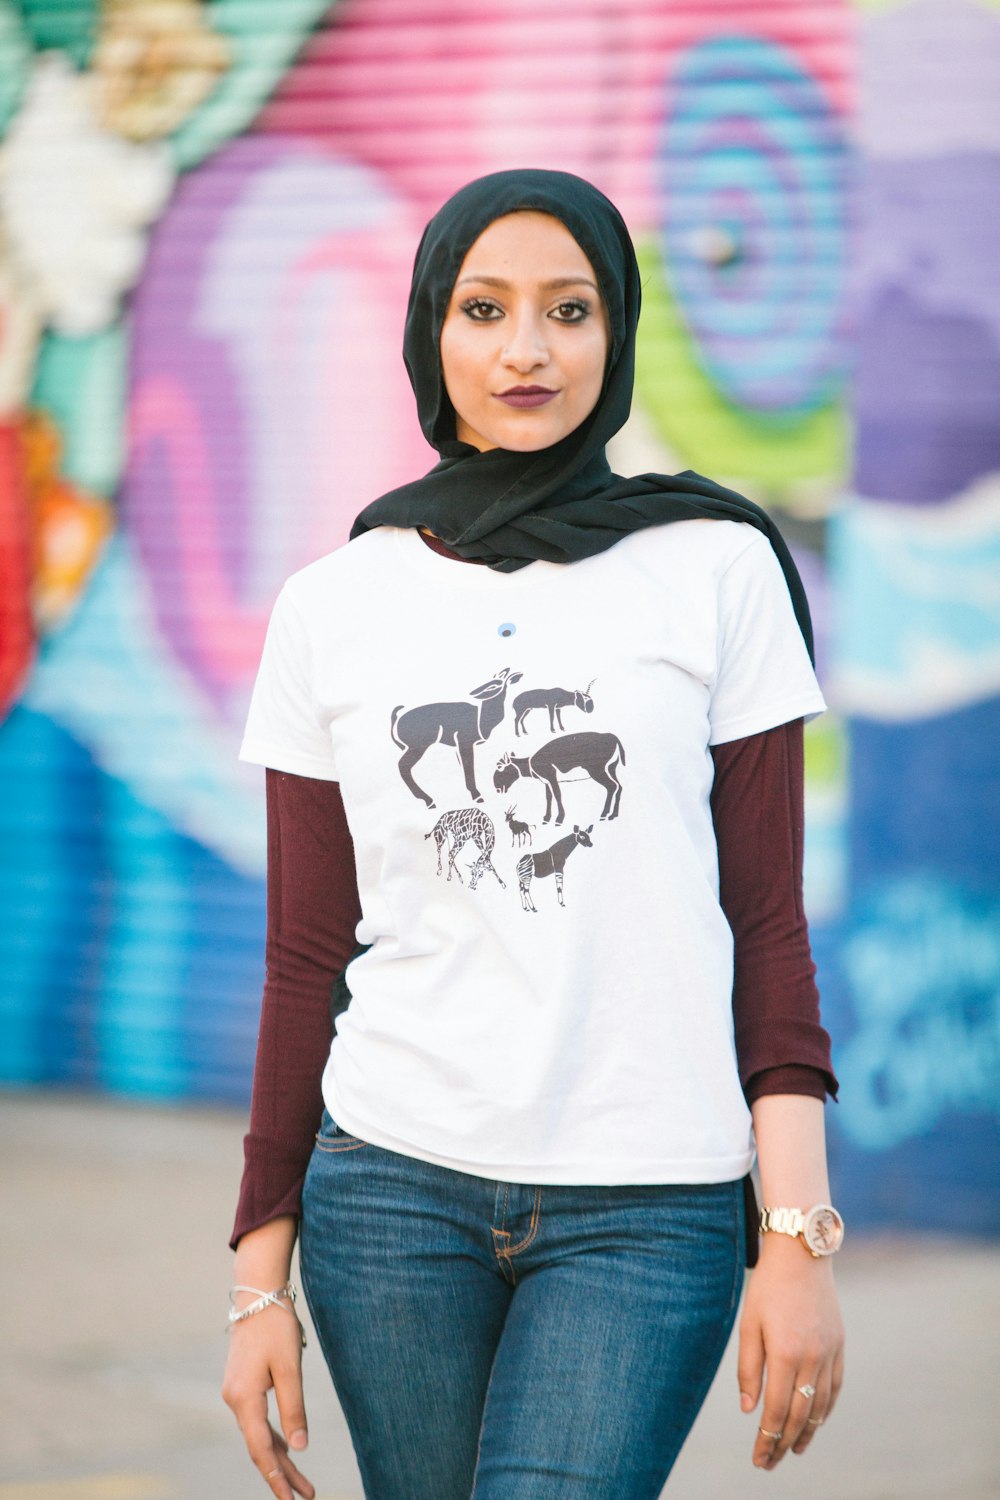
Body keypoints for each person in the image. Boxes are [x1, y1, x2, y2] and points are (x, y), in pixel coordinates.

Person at [222, 168, 845, 1500]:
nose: (526, 349)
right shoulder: (336, 602)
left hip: (649, 1204)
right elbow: (303, 956)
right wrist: (253, 1286)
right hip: (388, 1192)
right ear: (428, 336)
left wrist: (793, 1238)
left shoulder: (716, 567)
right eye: (484, 308)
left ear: (615, 332)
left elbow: (768, 923)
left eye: (569, 310)